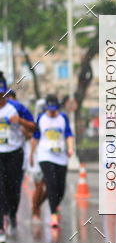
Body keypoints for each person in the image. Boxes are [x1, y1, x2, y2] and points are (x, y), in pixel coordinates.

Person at [30, 94, 74, 228]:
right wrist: (31, 155)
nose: (53, 112)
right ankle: (53, 214)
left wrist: (70, 148)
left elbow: (68, 134)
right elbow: (35, 137)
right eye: (50, 109)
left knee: (61, 188)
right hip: (45, 156)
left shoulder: (63, 118)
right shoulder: (41, 119)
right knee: (51, 184)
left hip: (60, 156)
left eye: (55, 109)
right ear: (46, 108)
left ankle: (52, 206)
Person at [0, 73, 35, 241]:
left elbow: (33, 127)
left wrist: (19, 121)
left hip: (15, 153)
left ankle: (12, 213)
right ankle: (1, 228)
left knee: (13, 189)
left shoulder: (17, 108)